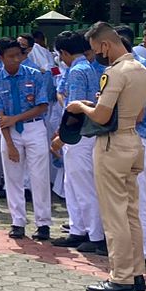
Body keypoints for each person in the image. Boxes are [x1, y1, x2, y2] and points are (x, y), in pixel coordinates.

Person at [66, 23, 146, 291]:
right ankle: (136, 272)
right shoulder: (142, 70)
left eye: (95, 50)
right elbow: (135, 112)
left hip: (112, 143)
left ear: (105, 45)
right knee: (130, 212)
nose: (95, 55)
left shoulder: (114, 72)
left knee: (114, 214)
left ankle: (121, 276)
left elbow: (103, 116)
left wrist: (81, 106)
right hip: (133, 139)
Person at [0, 37, 54, 239]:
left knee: (39, 177)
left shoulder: (35, 76)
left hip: (34, 128)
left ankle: (43, 223)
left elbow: (42, 106)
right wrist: (9, 144)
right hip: (10, 133)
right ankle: (17, 221)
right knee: (13, 178)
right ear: (1, 58)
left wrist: (15, 118)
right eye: (11, 56)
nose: (16, 59)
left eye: (20, 55)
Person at [51, 33, 102, 249]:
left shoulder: (79, 71)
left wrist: (62, 138)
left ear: (64, 53)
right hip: (80, 134)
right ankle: (78, 229)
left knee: (83, 186)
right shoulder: (83, 68)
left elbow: (77, 108)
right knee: (71, 184)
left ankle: (94, 234)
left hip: (80, 135)